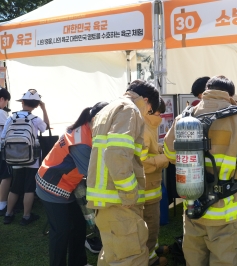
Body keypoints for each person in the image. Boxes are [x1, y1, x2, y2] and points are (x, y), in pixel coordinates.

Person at [164, 75, 237, 266]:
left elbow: (170, 155)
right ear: (230, 95)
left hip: (194, 208)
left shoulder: (184, 118)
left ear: (206, 91)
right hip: (227, 211)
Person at [86, 79, 159, 266]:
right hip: (119, 201)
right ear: (146, 100)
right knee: (131, 257)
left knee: (111, 255)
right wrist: (129, 193)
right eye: (149, 110)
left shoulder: (108, 109)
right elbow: (117, 153)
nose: (147, 114)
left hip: (106, 200)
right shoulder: (130, 110)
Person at [36, 101, 108, 266]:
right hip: (52, 188)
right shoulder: (81, 141)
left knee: (78, 225)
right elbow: (93, 175)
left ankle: (78, 263)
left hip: (69, 186)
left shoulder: (85, 129)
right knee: (60, 232)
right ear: (98, 119)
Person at [3, 89, 49, 225]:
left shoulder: (11, 117)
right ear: (36, 105)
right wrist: (44, 109)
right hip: (32, 158)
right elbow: (46, 127)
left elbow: (3, 136)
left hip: (14, 156)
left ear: (22, 102)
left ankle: (8, 214)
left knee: (15, 187)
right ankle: (26, 216)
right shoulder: (35, 119)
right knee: (29, 187)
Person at [141, 98, 170, 266]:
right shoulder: (144, 128)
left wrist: (160, 148)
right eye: (159, 112)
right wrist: (165, 158)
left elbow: (149, 149)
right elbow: (142, 162)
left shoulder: (148, 125)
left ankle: (154, 248)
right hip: (147, 188)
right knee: (150, 223)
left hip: (151, 186)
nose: (160, 116)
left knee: (153, 222)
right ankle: (151, 259)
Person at [0, 87, 11, 216]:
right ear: (2, 99)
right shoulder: (1, 113)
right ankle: (2, 204)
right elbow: (7, 131)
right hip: (2, 149)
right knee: (6, 176)